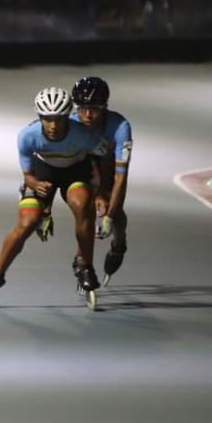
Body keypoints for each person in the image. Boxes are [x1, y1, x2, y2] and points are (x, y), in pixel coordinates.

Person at [0, 87, 109, 310]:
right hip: (42, 175)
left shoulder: (84, 134)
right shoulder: (27, 135)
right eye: (47, 119)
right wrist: (37, 191)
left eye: (59, 119)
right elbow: (28, 176)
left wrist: (102, 192)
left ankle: (86, 266)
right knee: (27, 223)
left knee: (82, 206)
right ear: (39, 117)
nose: (53, 125)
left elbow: (106, 159)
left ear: (68, 117)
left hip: (76, 174)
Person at [71, 76, 132, 285]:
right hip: (85, 162)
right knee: (87, 206)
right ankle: (82, 256)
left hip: (109, 162)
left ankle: (119, 244)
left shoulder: (120, 127)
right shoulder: (71, 122)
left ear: (104, 107)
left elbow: (121, 177)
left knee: (115, 213)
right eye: (82, 108)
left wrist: (110, 217)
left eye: (94, 109)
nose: (88, 115)